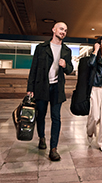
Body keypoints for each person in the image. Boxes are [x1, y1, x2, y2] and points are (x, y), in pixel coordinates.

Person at [27, 22, 73, 161]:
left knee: (56, 117)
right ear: (53, 30)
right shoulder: (41, 48)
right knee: (40, 115)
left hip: (57, 88)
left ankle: (53, 148)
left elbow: (70, 69)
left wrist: (65, 65)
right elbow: (33, 68)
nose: (63, 32)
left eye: (65, 30)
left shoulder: (66, 50)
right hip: (42, 86)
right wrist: (30, 88)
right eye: (61, 29)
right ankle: (42, 138)